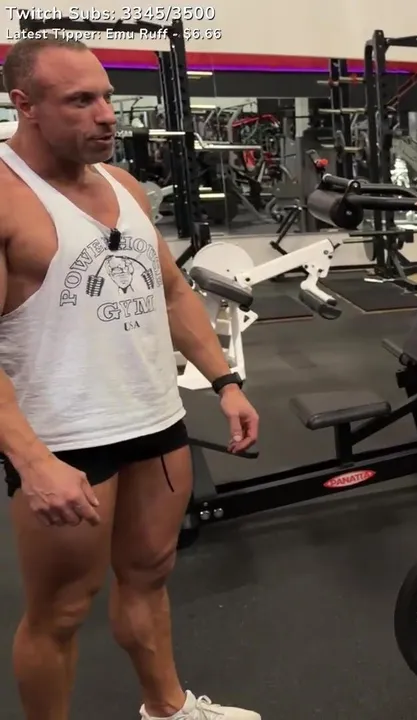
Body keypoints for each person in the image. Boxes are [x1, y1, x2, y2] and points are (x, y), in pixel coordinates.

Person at [0, 38, 261, 720]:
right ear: (24, 104)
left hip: (154, 420)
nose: (107, 115)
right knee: (60, 611)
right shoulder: (5, 199)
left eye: (107, 97)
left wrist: (225, 380)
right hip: (63, 438)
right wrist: (32, 461)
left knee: (149, 576)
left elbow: (170, 292)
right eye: (80, 101)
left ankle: (167, 710)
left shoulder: (123, 185)